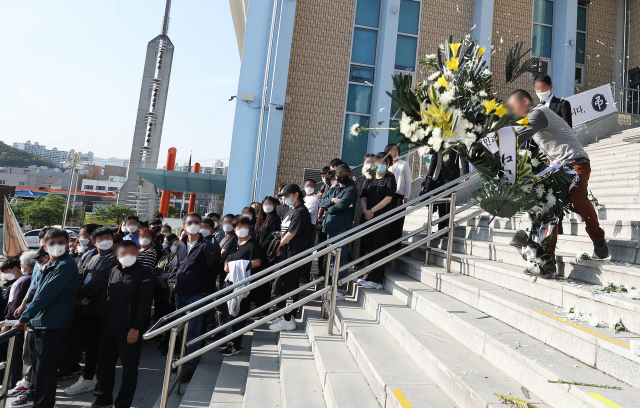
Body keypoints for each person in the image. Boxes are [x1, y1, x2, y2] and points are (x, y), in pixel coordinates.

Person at [507, 89, 608, 262]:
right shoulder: (531, 118)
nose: (512, 112)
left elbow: (518, 137)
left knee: (577, 197)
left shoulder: (537, 113)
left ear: (524, 102)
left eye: (513, 107)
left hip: (576, 161)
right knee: (548, 207)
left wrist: (491, 144)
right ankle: (547, 260)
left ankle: (598, 238)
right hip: (557, 168)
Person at [13, 229, 79, 408]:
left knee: (45, 368)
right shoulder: (50, 263)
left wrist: (26, 315)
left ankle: (43, 404)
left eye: (60, 242)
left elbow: (46, 295)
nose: (56, 246)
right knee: (36, 365)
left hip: (52, 323)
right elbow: (35, 290)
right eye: (52, 243)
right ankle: (36, 397)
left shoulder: (65, 265)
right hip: (39, 322)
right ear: (45, 245)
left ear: (67, 243)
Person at [91, 241, 153, 408]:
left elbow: (145, 302)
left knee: (129, 369)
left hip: (129, 329)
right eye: (123, 253)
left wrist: (136, 327)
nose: (128, 256)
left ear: (137, 253)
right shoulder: (113, 271)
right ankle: (102, 399)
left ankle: (123, 404)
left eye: (132, 252)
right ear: (117, 255)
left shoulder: (144, 273)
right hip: (109, 327)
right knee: (103, 366)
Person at [64, 227, 119, 396]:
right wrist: (79, 293)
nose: (106, 241)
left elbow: (97, 284)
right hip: (87, 308)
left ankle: (89, 379)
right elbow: (80, 276)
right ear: (94, 243)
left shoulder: (114, 258)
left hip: (101, 309)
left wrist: (80, 293)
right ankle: (89, 376)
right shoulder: (93, 257)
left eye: (108, 237)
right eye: (101, 239)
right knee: (89, 345)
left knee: (96, 346)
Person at [170, 212, 220, 381]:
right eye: (190, 222)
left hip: (197, 293)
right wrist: (173, 284)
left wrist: (207, 290)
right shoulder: (181, 244)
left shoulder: (207, 246)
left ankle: (189, 365)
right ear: (184, 226)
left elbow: (213, 271)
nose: (193, 224)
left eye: (196, 222)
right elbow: (177, 266)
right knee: (181, 329)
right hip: (180, 293)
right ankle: (183, 359)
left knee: (193, 329)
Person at [270, 184, 312, 332]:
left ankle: (288, 319)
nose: (285, 200)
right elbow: (284, 230)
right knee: (284, 285)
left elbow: (292, 233)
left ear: (296, 194)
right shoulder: (289, 210)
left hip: (294, 253)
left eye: (287, 196)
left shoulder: (301, 212)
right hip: (286, 252)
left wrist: (278, 245)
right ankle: (287, 315)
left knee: (289, 287)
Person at [8, 246, 48, 399]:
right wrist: (23, 308)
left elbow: (37, 294)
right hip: (29, 316)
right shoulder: (35, 273)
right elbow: (31, 291)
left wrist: (23, 316)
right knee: (26, 353)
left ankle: (27, 383)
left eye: (23, 265)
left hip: (33, 319)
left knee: (26, 354)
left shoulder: (27, 279)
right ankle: (24, 381)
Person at [218, 217, 262, 356]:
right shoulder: (233, 242)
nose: (241, 228)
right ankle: (232, 341)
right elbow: (227, 259)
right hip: (231, 283)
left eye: (245, 225)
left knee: (241, 315)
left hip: (244, 283)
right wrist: (227, 266)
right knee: (231, 314)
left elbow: (257, 262)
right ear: (234, 228)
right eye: (238, 226)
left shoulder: (253, 243)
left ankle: (236, 345)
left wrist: (238, 265)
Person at [319, 164, 358, 300]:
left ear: (348, 174)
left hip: (342, 228)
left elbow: (342, 205)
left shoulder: (352, 189)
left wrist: (329, 207)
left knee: (341, 259)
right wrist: (332, 201)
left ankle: (340, 289)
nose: (341, 175)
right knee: (332, 260)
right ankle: (333, 286)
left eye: (344, 173)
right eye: (339, 173)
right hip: (330, 228)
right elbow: (321, 203)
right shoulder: (334, 188)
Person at [358, 153, 397, 289]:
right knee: (370, 247)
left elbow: (388, 198)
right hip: (368, 218)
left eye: (383, 162)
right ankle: (370, 275)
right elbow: (363, 198)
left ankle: (377, 280)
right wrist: (365, 211)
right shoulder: (370, 178)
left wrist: (372, 211)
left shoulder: (390, 178)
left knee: (379, 248)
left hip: (380, 218)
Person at [425, 149, 469, 250]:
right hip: (438, 176)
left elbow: (463, 156)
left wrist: (465, 173)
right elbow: (434, 158)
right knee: (440, 203)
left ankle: (447, 229)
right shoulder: (439, 141)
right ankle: (441, 229)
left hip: (451, 176)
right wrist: (430, 174)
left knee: (448, 202)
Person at [1, 254, 32, 389]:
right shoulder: (20, 281)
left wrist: (7, 321)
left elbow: (14, 305)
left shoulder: (23, 281)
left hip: (16, 323)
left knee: (14, 354)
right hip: (16, 322)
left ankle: (12, 383)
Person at [253, 196, 281, 314]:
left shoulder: (275, 219)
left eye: (270, 204)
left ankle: (263, 309)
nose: (267, 206)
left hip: (266, 255)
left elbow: (271, 237)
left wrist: (260, 249)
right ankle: (257, 307)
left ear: (275, 205)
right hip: (257, 254)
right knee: (257, 282)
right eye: (265, 204)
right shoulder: (261, 218)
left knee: (264, 282)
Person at [154, 234, 179, 354]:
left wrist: (165, 278)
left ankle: (170, 344)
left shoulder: (182, 258)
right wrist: (159, 278)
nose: (176, 248)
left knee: (171, 317)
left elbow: (177, 272)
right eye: (174, 245)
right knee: (160, 314)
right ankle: (161, 338)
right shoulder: (164, 257)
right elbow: (156, 270)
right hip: (161, 291)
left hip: (172, 291)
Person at [385, 143, 412, 250]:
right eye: (391, 150)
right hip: (386, 197)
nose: (394, 152)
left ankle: (395, 247)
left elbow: (408, 181)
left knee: (397, 222)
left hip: (399, 196)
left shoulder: (403, 164)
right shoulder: (386, 165)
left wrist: (406, 196)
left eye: (395, 150)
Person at [350, 154, 376, 262]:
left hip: (372, 213)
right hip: (357, 213)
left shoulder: (377, 179)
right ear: (363, 164)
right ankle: (357, 262)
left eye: (372, 162)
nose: (370, 164)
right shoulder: (358, 180)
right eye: (367, 162)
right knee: (357, 238)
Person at [316, 170, 336, 275]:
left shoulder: (336, 189)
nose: (324, 178)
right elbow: (322, 203)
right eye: (323, 176)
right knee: (321, 248)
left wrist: (328, 201)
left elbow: (327, 203)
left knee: (329, 250)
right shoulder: (324, 188)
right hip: (321, 222)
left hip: (330, 221)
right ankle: (321, 272)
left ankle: (326, 273)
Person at [300, 179, 319, 283]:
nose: (309, 187)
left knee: (307, 251)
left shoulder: (315, 199)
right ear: (304, 187)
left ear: (315, 187)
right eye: (307, 185)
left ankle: (305, 275)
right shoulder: (303, 199)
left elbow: (306, 213)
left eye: (312, 185)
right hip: (301, 228)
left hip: (310, 227)